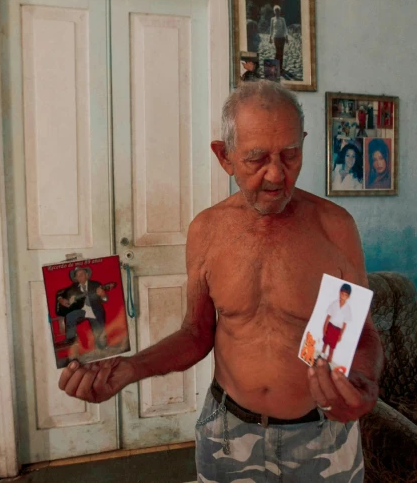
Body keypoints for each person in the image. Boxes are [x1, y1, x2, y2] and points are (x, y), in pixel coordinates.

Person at [58, 80, 384, 481]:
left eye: (290, 154)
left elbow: (358, 332)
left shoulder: (335, 228)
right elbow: (196, 333)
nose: (276, 174)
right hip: (228, 433)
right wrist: (129, 369)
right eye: (256, 158)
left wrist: (364, 384)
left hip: (322, 434)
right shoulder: (207, 231)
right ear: (224, 156)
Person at [55, 266, 109, 348]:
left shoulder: (96, 285)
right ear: (76, 278)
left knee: (100, 336)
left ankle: (102, 347)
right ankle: (70, 339)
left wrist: (103, 295)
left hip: (95, 310)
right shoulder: (73, 287)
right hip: (81, 311)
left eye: (81, 274)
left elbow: (105, 299)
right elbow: (60, 293)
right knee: (70, 315)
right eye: (77, 275)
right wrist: (60, 299)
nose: (79, 276)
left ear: (87, 275)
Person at [321, 283, 353, 363]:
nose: (343, 296)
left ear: (348, 297)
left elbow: (344, 324)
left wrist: (340, 334)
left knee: (332, 348)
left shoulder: (347, 309)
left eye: (345, 295)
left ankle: (328, 361)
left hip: (337, 330)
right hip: (330, 327)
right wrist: (324, 327)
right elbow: (328, 317)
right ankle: (321, 357)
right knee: (325, 343)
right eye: (342, 294)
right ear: (339, 293)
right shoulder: (334, 304)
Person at [270, 4, 287, 74]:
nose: (277, 12)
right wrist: (270, 37)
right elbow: (271, 29)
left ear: (280, 12)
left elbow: (285, 28)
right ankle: (275, 67)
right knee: (277, 53)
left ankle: (280, 68)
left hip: (282, 37)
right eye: (276, 11)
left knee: (281, 53)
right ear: (274, 12)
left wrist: (286, 37)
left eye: (278, 11)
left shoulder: (282, 19)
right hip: (276, 37)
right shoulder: (272, 19)